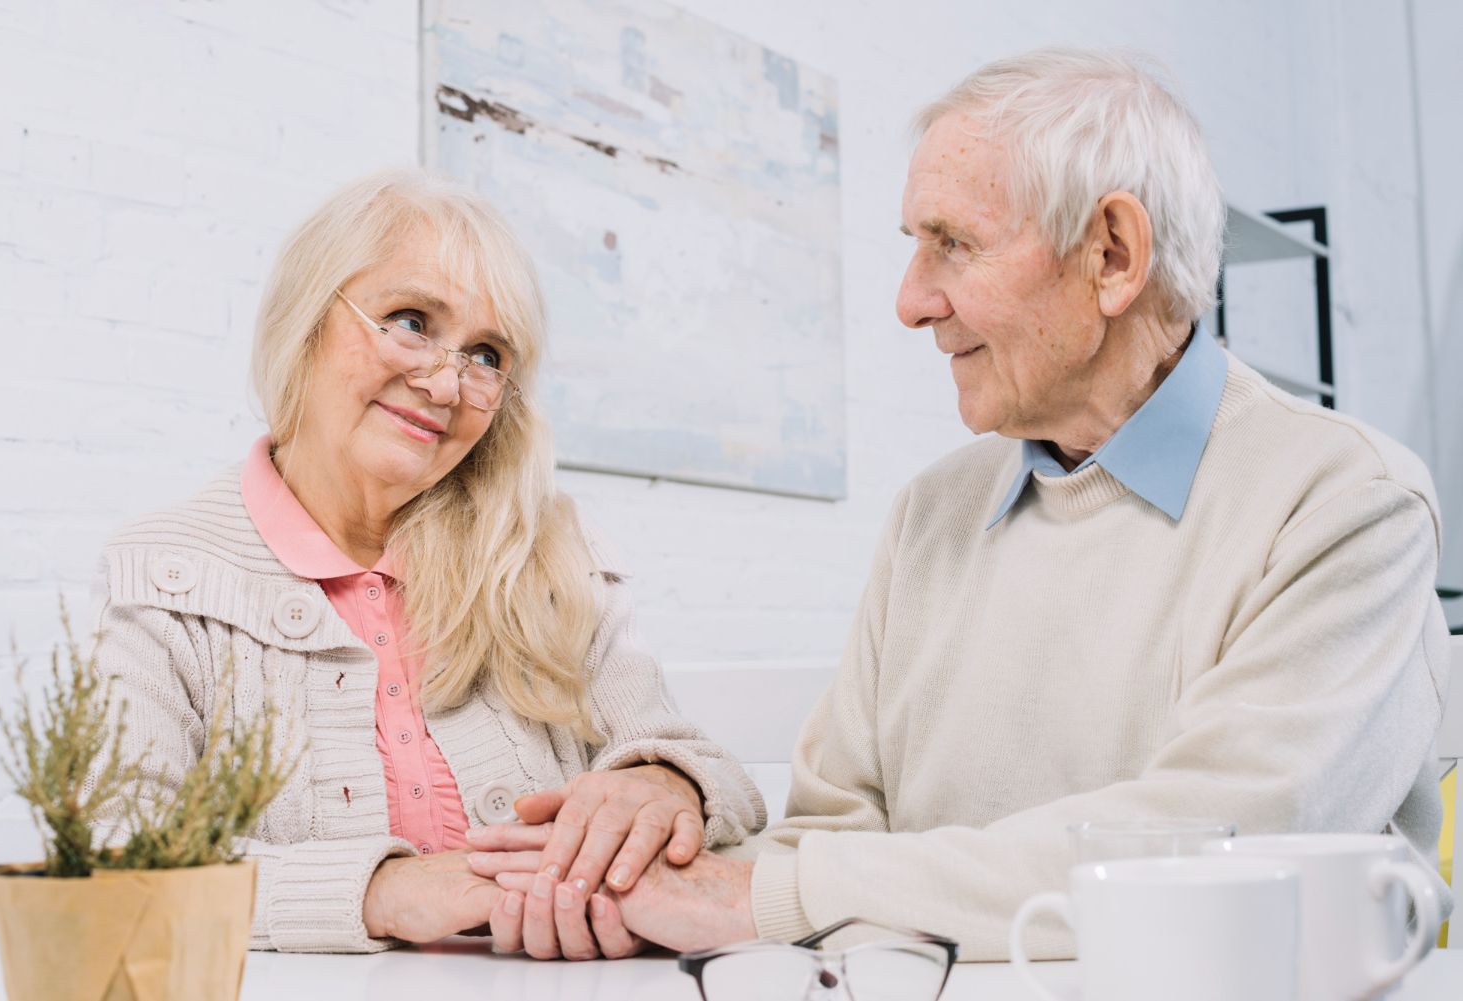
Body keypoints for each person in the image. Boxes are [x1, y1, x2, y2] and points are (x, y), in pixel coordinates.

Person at [479, 46, 1454, 961]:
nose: (911, 300)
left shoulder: (1347, 504)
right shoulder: (928, 517)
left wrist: (771, 894)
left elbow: (1215, 858)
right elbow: (831, 830)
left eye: (952, 244)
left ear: (1113, 254)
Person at [87, 167, 763, 955]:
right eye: (411, 320)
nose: (446, 381)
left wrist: (661, 783)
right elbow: (113, 865)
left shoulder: (549, 558)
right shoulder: (165, 572)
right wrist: (382, 891)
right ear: (306, 320)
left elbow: (716, 775)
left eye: (486, 353)